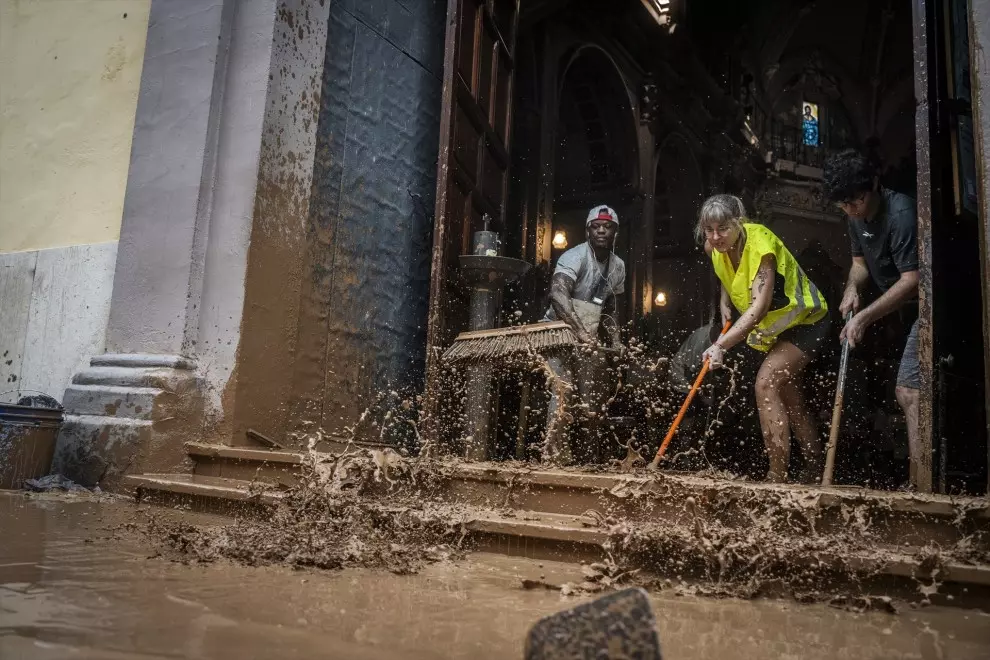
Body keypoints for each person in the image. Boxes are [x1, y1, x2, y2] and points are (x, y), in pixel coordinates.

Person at [698, 195, 830, 482]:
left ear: (739, 223)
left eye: (723, 228)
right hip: (777, 329)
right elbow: (726, 271)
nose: (716, 237)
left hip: (806, 320)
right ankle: (814, 469)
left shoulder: (760, 247)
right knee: (790, 397)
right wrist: (724, 298)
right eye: (709, 229)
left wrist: (720, 345)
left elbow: (757, 310)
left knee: (766, 382)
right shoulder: (713, 246)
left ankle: (777, 477)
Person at [824, 150, 920, 489]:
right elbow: (860, 264)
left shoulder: (903, 214)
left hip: (926, 308)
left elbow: (912, 280)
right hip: (896, 311)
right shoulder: (854, 215)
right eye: (844, 206)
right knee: (904, 389)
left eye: (856, 202)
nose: (851, 210)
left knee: (909, 390)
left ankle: (919, 486)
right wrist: (852, 288)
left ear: (875, 185)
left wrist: (862, 318)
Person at [542, 205, 625, 463]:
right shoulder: (575, 256)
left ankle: (587, 459)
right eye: (595, 226)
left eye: (607, 226)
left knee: (591, 398)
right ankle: (554, 457)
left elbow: (610, 307)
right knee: (562, 392)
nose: (601, 230)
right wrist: (579, 332)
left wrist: (615, 340)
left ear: (615, 232)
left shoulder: (618, 266)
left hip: (587, 337)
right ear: (588, 230)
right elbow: (558, 293)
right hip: (558, 332)